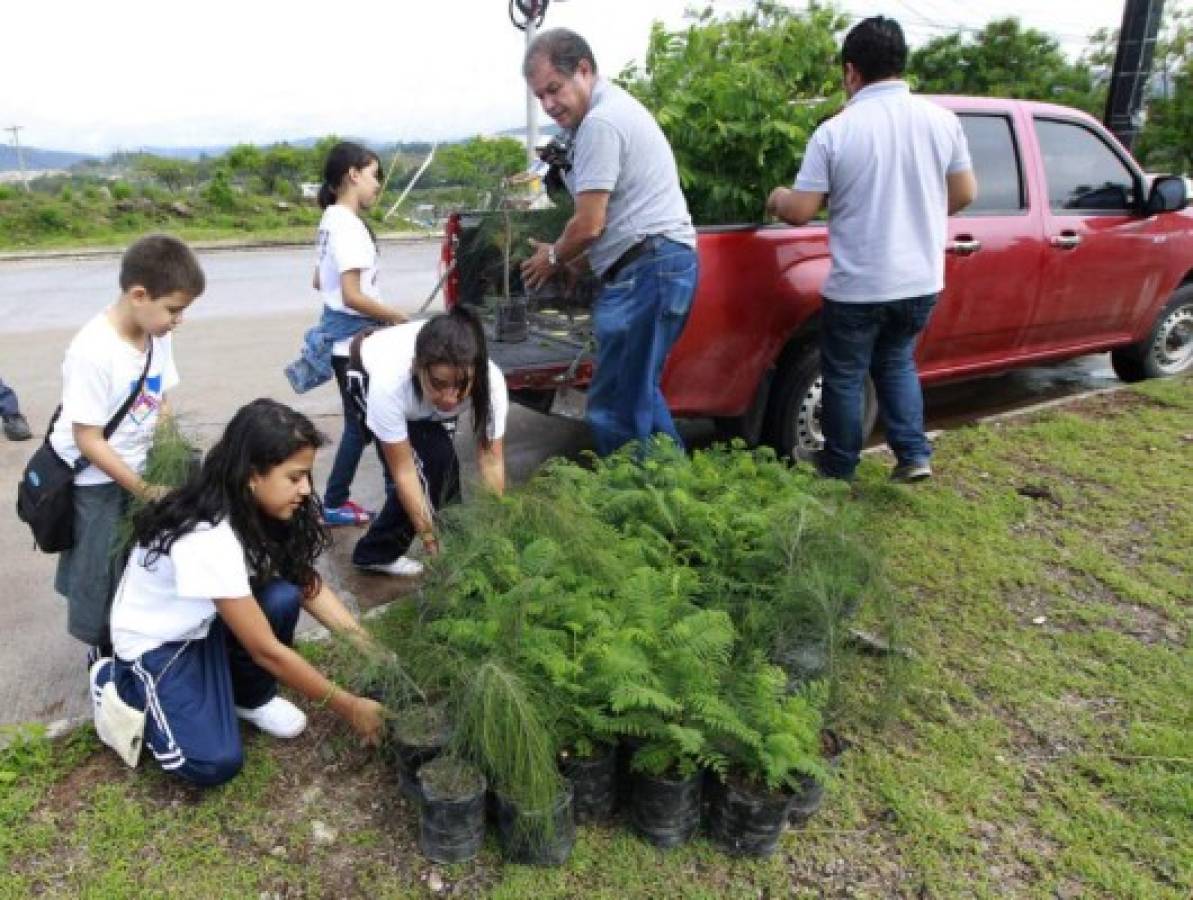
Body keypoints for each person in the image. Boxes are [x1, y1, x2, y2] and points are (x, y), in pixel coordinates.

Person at [90, 399, 385, 786]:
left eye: (307, 476)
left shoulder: (259, 506)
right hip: (161, 643)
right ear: (252, 475)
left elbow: (307, 584)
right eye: (295, 477)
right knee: (213, 762)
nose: (306, 489)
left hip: (208, 621)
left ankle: (250, 697)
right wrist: (348, 707)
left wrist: (374, 651)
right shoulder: (206, 535)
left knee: (281, 596)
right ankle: (114, 678)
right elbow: (265, 649)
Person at [767, 16, 976, 483]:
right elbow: (963, 193)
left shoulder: (837, 131)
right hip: (921, 280)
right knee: (897, 360)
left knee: (843, 374)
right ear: (901, 64)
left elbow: (801, 210)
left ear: (851, 72)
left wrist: (778, 197)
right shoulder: (942, 121)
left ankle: (840, 467)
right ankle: (913, 455)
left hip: (860, 285)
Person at [519, 28, 699, 457]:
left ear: (584, 70)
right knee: (640, 395)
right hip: (660, 264)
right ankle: (675, 503)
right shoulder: (610, 113)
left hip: (649, 269)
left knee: (615, 406)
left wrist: (554, 257)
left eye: (554, 89)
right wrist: (578, 263)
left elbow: (589, 224)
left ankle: (633, 512)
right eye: (539, 96)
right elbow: (616, 217)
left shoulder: (601, 123)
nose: (548, 104)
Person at [51, 234, 205, 662]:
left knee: (140, 561)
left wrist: (169, 449)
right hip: (98, 480)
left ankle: (134, 634)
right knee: (99, 567)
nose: (179, 320)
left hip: (142, 470)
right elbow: (88, 438)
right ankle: (101, 651)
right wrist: (142, 488)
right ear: (139, 295)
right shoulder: (93, 351)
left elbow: (160, 398)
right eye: (173, 309)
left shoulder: (156, 334)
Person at [285, 141, 407, 527]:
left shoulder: (329, 220)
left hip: (345, 344)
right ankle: (369, 499)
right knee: (373, 423)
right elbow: (353, 295)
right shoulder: (349, 226)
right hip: (358, 346)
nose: (377, 187)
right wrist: (399, 317)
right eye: (374, 176)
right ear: (353, 174)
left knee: (366, 423)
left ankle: (349, 499)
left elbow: (319, 279)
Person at [349, 307, 508, 578]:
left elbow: (491, 459)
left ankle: (457, 543)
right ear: (417, 367)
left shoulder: (490, 382)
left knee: (441, 463)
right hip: (363, 363)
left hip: (414, 389)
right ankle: (377, 553)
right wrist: (430, 542)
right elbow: (405, 472)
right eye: (438, 383)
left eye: (461, 385)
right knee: (429, 466)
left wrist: (497, 527)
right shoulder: (390, 383)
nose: (450, 399)